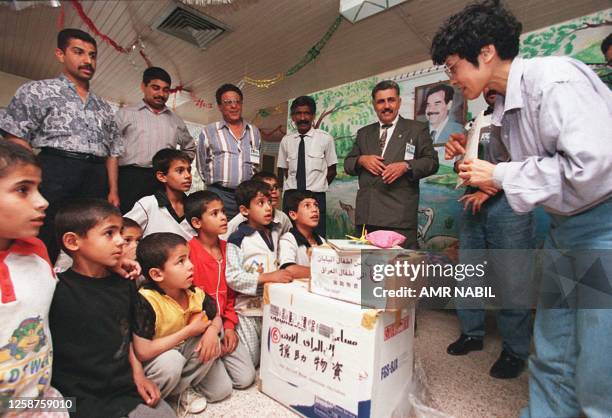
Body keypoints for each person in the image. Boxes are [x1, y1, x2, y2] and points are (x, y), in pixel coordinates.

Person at [432, 1, 612, 416]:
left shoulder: (555, 81)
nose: (453, 78)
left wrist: (498, 176)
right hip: (566, 230)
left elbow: (592, 166)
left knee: (599, 371)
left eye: (454, 67)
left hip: (601, 228)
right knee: (553, 354)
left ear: (487, 53)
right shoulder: (504, 109)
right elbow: (527, 168)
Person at [0, 28, 123, 263]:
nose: (87, 60)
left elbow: (113, 151)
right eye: (78, 52)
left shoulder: (104, 107)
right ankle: (40, 281)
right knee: (47, 232)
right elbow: (15, 135)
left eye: (92, 55)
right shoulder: (37, 91)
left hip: (96, 174)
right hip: (54, 169)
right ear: (60, 54)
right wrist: (32, 177)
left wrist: (113, 190)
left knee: (93, 234)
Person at [49, 199, 174, 418]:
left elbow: (126, 337)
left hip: (118, 388)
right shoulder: (56, 289)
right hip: (73, 396)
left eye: (120, 233)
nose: (120, 242)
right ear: (72, 241)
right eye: (109, 233)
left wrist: (138, 376)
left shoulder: (123, 283)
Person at [446, 88, 535, 379]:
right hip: (473, 202)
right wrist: (459, 158)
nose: (490, 90)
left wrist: (492, 187)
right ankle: (472, 333)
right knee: (468, 272)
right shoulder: (477, 121)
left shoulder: (521, 117)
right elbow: (465, 167)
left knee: (512, 278)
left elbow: (531, 163)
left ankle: (514, 350)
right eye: (485, 87)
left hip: (509, 204)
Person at [0, 141, 70, 417]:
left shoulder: (37, 249)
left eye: (38, 189)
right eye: (22, 190)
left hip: (43, 402)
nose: (43, 202)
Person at [133, 232, 232, 415]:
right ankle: (176, 391)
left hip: (186, 353)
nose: (191, 266)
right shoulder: (146, 300)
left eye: (189, 259)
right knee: (172, 361)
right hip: (159, 360)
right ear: (157, 274)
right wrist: (188, 331)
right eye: (181, 261)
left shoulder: (194, 292)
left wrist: (212, 331)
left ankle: (177, 391)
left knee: (222, 390)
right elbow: (143, 351)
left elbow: (215, 316)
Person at [344, 80, 439, 249]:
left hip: (399, 220)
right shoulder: (364, 133)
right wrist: (361, 160)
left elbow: (432, 162)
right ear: (374, 105)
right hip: (367, 218)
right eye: (381, 101)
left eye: (391, 100)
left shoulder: (416, 129)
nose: (386, 106)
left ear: (399, 102)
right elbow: (348, 164)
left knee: (400, 273)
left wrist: (406, 166)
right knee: (366, 272)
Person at [185, 191, 257, 389]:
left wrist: (229, 327)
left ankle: (215, 363)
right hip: (199, 327)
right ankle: (191, 384)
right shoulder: (188, 251)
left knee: (245, 379)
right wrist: (210, 330)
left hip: (223, 323)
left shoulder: (230, 249)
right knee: (220, 391)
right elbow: (185, 297)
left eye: (223, 212)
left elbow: (232, 295)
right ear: (197, 223)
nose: (224, 217)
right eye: (214, 214)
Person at [226, 180, 293, 366]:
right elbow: (232, 277)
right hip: (247, 311)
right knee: (251, 360)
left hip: (270, 308)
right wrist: (268, 277)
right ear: (244, 210)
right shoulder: (238, 239)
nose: (268, 208)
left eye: (269, 203)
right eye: (260, 203)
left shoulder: (275, 232)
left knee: (271, 357)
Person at [116, 67, 196, 214]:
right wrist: (112, 189)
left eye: (166, 90)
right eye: (155, 88)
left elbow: (190, 148)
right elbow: (111, 152)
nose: (161, 94)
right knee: (127, 222)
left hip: (162, 182)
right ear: (143, 86)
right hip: (129, 179)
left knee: (159, 223)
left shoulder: (176, 121)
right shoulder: (125, 114)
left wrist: (176, 167)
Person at [196, 84, 262, 220]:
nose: (234, 106)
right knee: (220, 234)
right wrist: (213, 186)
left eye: (237, 101)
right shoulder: (209, 131)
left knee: (245, 234)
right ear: (220, 106)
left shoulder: (254, 131)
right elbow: (201, 164)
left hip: (246, 195)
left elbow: (256, 164)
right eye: (228, 102)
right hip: (219, 194)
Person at [277, 96, 337, 236]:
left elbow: (332, 170)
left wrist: (318, 185)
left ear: (313, 116)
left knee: (316, 238)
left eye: (307, 113)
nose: (303, 117)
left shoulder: (325, 139)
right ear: (293, 117)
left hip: (315, 195)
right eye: (298, 113)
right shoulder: (286, 141)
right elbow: (285, 171)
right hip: (291, 196)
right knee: (289, 236)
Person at [125, 148, 195, 240]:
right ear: (162, 177)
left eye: (189, 170)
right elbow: (122, 231)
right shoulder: (148, 205)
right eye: (180, 171)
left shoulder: (195, 206)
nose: (188, 176)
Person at [222, 171, 291, 240]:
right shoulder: (239, 221)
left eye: (276, 187)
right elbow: (223, 240)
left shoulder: (283, 218)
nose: (273, 191)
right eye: (267, 188)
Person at [278, 190, 323, 279]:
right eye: (307, 205)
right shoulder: (288, 239)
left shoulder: (321, 240)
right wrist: (325, 273)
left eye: (316, 205)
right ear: (293, 214)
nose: (314, 210)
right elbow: (289, 270)